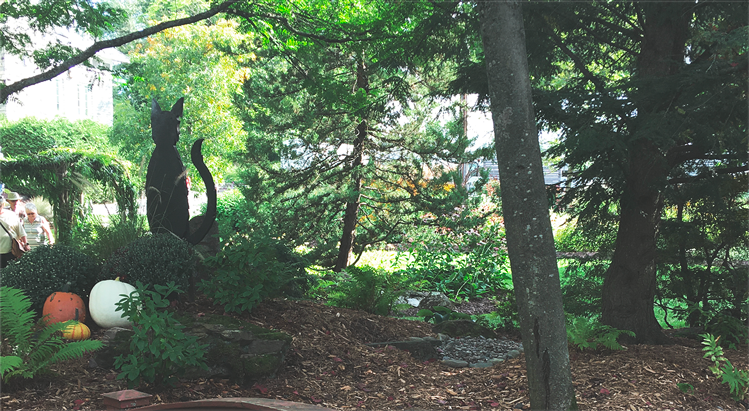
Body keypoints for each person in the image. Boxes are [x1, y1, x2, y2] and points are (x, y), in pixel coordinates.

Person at [0, 201, 27, 268]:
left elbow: (21, 231)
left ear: (3, 205)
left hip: (11, 252)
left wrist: (26, 244)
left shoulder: (11, 215)